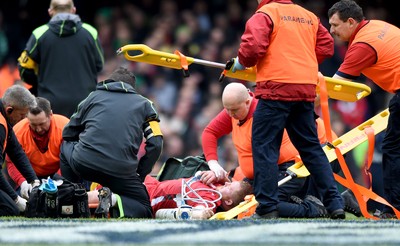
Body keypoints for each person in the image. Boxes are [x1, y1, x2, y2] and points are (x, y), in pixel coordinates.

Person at [230, 0, 345, 219]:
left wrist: (241, 63)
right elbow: (326, 46)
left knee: (263, 148)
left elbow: (252, 48)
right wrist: (299, 60)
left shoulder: (265, 13)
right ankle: (334, 203)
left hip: (275, 89)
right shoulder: (308, 16)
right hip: (304, 90)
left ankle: (267, 207)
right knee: (312, 149)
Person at [201, 82, 338, 218]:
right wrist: (213, 163)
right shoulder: (236, 109)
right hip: (268, 169)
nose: (230, 114)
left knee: (267, 204)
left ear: (248, 102)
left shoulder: (264, 115)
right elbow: (210, 132)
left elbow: (268, 156)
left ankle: (314, 210)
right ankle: (339, 201)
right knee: (255, 202)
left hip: (294, 165)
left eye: (234, 110)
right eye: (227, 109)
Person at [59, 66, 163, 219]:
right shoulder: (146, 104)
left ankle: (74, 197)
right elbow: (156, 143)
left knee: (65, 146)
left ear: (109, 81)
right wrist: (140, 173)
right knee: (144, 208)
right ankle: (112, 200)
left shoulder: (92, 97)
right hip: (121, 171)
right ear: (132, 88)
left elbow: (68, 134)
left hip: (85, 163)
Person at [328, 0, 400, 219]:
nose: (331, 31)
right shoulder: (378, 25)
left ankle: (392, 208)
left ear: (351, 22)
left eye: (335, 25)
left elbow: (334, 88)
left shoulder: (362, 45)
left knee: (392, 149)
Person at [17, 0, 104, 117]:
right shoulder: (90, 32)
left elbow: (24, 68)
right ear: (73, 10)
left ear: (50, 11)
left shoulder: (39, 34)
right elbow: (99, 64)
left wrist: (39, 81)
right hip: (86, 103)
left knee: (56, 135)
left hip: (49, 104)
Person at [87, 171, 253, 220]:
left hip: (146, 199)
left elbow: (200, 211)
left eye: (230, 186)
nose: (227, 183)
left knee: (105, 196)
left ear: (229, 200)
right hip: (149, 184)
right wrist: (215, 172)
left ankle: (72, 199)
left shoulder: (210, 200)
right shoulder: (215, 184)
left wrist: (200, 213)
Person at [6, 97, 69, 199]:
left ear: (50, 115)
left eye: (42, 124)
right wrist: (22, 182)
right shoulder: (17, 132)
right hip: (30, 177)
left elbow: (71, 159)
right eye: (33, 124)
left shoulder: (65, 127)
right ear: (27, 118)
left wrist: (58, 180)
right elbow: (11, 162)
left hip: (60, 174)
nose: (38, 129)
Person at [0, 85, 40, 216]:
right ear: (9, 110)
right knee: (10, 209)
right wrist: (15, 199)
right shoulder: (1, 124)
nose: (25, 121)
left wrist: (33, 180)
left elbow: (16, 151)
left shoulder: (4, 119)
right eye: (22, 116)